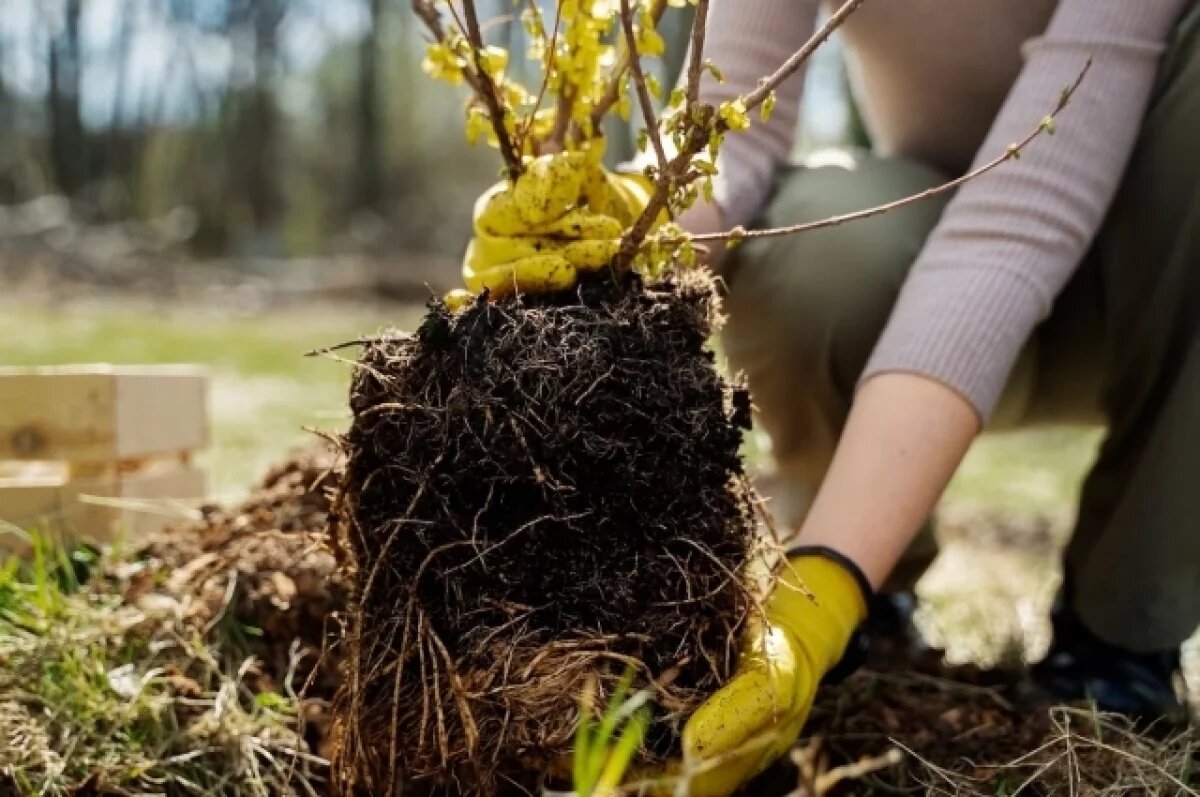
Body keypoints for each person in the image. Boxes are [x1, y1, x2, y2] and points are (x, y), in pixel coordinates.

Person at [462, 1, 1199, 794]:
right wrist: (628, 218)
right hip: (932, 269)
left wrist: (820, 593)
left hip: (1162, 299)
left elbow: (1018, 224)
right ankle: (877, 588)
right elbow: (728, 130)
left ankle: (1122, 633)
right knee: (815, 243)